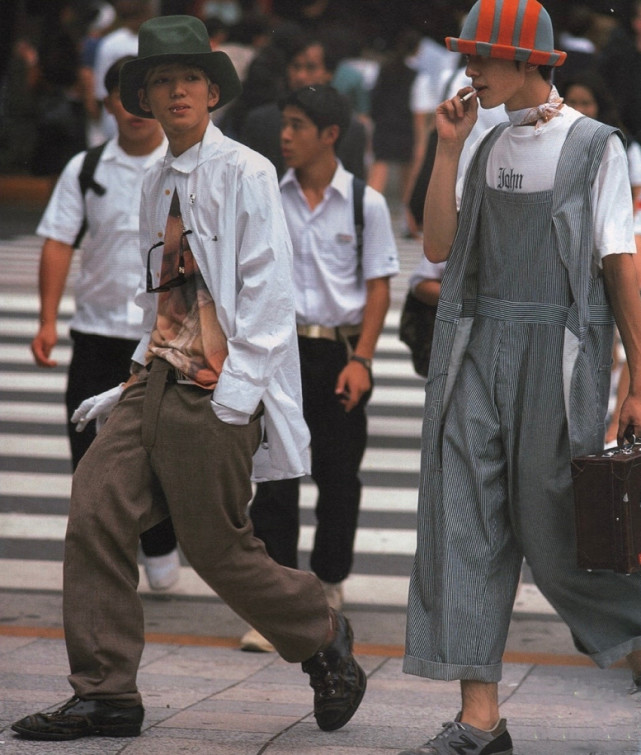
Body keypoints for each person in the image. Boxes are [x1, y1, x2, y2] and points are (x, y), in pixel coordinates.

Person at [11, 15, 366, 742]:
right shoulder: (152, 180)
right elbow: (166, 294)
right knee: (95, 508)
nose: (176, 91)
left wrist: (236, 396)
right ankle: (106, 690)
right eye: (160, 80)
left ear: (212, 91)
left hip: (219, 384)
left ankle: (322, 631)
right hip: (157, 378)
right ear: (142, 95)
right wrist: (130, 379)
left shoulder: (246, 171)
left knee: (216, 548)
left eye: (189, 79)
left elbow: (269, 294)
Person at [400, 0, 641, 753]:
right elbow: (438, 245)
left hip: (558, 351)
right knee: (464, 519)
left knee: (557, 528)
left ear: (525, 62)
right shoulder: (482, 140)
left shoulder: (595, 145)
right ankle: (480, 718)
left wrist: (638, 370)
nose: (469, 70)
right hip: (475, 350)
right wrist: (446, 150)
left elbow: (619, 262)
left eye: (481, 58)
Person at [242, 84, 399, 652]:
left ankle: (329, 584)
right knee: (275, 481)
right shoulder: (266, 197)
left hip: (339, 356)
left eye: (297, 125)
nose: (285, 136)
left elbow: (378, 287)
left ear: (331, 134)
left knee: (337, 477)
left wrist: (362, 358)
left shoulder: (365, 204)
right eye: (283, 124)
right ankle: (280, 605)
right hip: (278, 354)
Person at [30, 55, 180, 591]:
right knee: (90, 455)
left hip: (161, 339)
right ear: (110, 102)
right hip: (95, 334)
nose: (137, 108)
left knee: (159, 452)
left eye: (147, 95)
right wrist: (47, 320)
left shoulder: (183, 165)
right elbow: (57, 242)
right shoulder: (85, 168)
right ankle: (110, 563)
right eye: (125, 95)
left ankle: (160, 540)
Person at [239, 36, 367, 179]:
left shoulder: (351, 128)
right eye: (296, 67)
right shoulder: (261, 121)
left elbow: (354, 185)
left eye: (311, 68)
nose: (301, 76)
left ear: (329, 73)